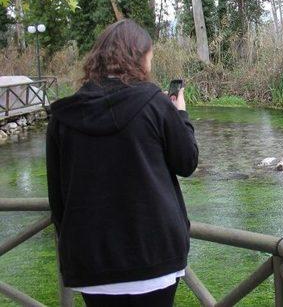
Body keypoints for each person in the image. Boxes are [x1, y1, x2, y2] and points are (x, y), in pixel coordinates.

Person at [46, 19, 199, 306]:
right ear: (140, 57)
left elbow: (58, 197)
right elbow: (187, 161)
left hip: (91, 263)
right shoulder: (155, 103)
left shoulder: (64, 116)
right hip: (155, 256)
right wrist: (180, 115)